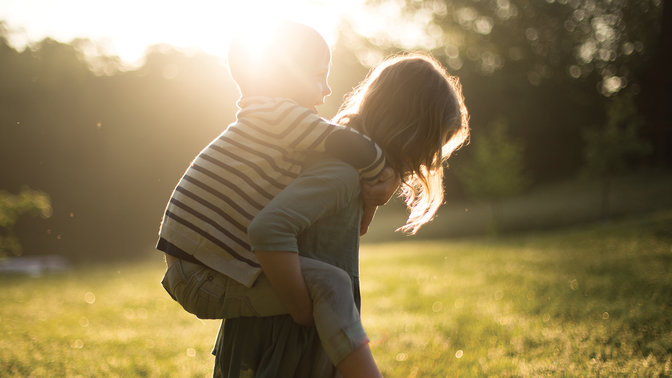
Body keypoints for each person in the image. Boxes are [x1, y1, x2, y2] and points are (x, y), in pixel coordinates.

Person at [157, 20, 392, 377]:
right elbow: (350, 144)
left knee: (323, 282)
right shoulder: (278, 116)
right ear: (282, 74)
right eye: (318, 75)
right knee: (331, 284)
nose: (327, 89)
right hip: (201, 274)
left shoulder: (266, 121)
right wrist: (382, 176)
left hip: (198, 268)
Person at [214, 53, 470, 377]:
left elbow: (348, 229)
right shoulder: (341, 174)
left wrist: (378, 190)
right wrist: (302, 308)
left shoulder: (351, 171)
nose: (426, 161)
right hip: (288, 333)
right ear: (410, 132)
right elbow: (268, 229)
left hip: (307, 327)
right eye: (430, 147)